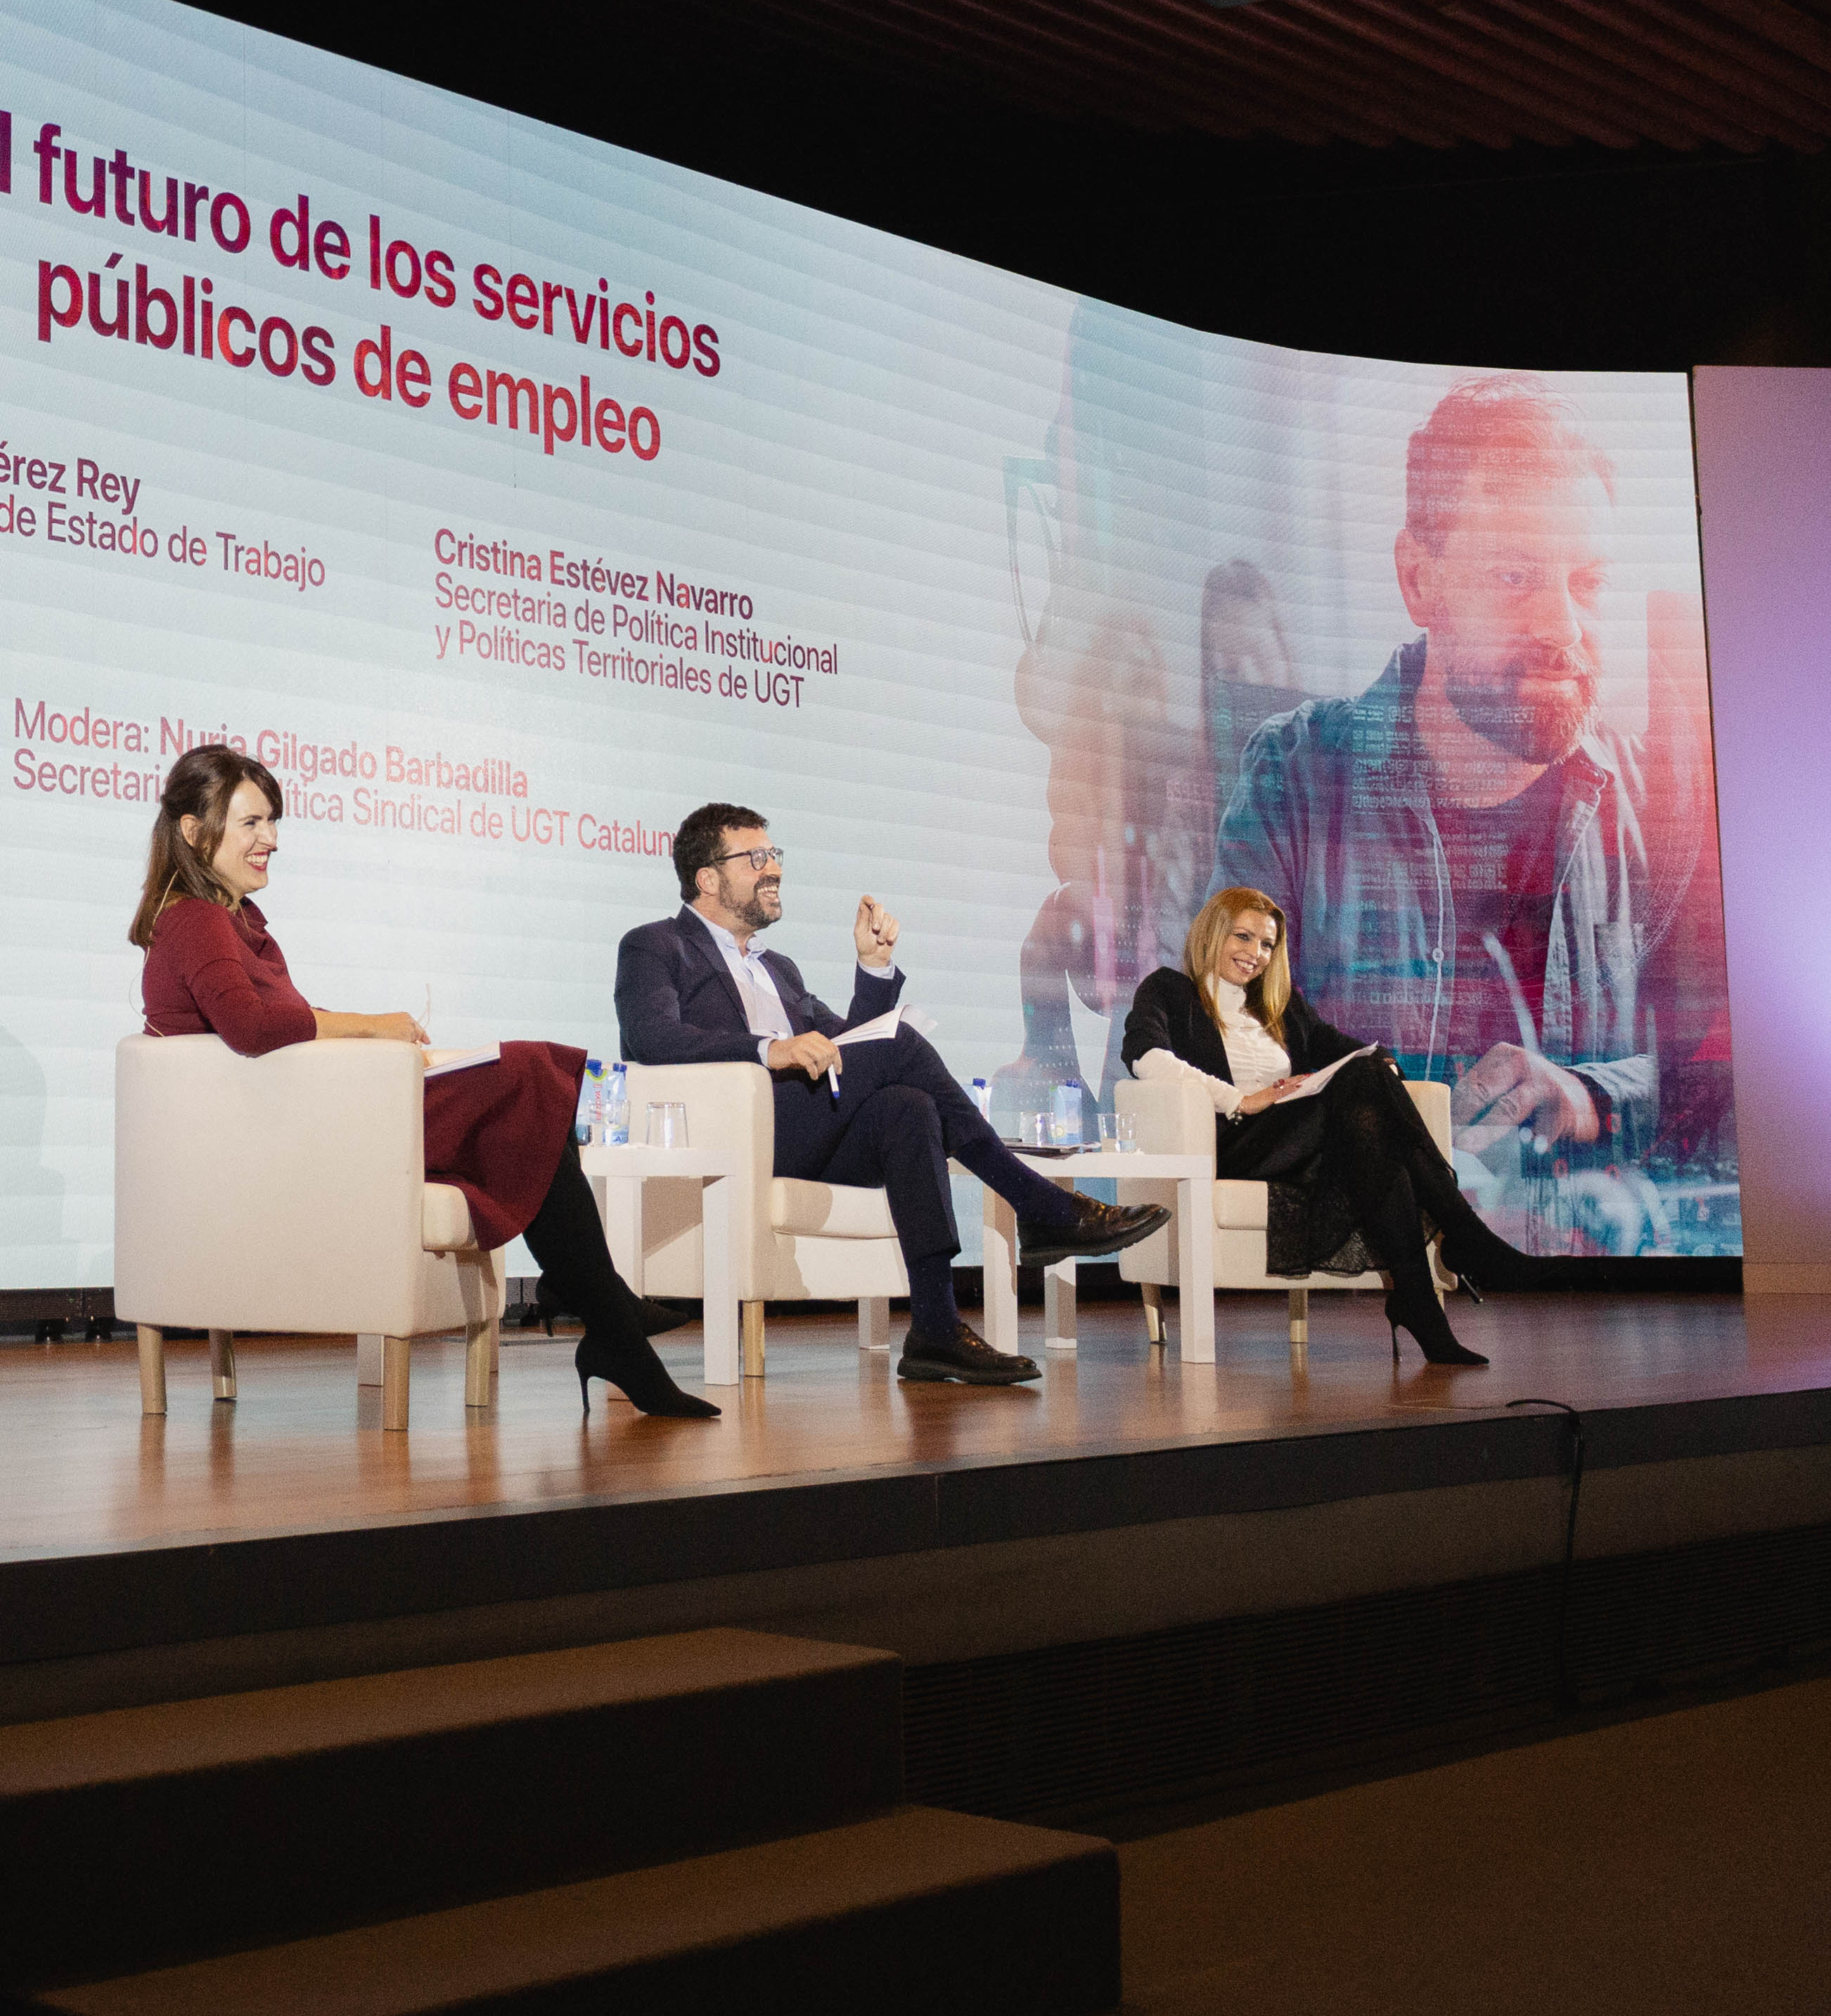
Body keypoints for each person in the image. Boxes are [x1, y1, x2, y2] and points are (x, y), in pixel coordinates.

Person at [1214, 375, 1688, 1208]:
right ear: (1418, 580)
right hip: (1353, 1293)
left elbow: (1720, 1070)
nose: (1563, 627)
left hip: (1587, 1294)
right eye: (1514, 575)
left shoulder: (1653, 798)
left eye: (1588, 581)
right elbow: (1204, 1059)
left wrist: (1592, 1096)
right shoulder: (1294, 781)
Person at [132, 745, 717, 1420]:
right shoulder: (196, 918)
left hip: (302, 1122)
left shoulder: (232, 920)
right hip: (294, 1141)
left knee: (528, 1095)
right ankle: (608, 1311)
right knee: (529, 1070)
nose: (271, 839)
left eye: (273, 821)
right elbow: (257, 1028)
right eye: (252, 823)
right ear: (194, 830)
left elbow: (277, 1028)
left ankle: (607, 1317)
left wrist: (379, 1041)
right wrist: (375, 1026)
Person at [614, 804, 1169, 1386]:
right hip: (733, 1137)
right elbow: (652, 1037)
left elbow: (854, 1045)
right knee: (901, 1043)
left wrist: (873, 970)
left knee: (909, 1106)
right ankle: (1039, 1202)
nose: (772, 868)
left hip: (803, 1128)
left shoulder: (781, 969)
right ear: (707, 878)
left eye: (775, 855)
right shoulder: (655, 946)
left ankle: (934, 1325)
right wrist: (765, 1050)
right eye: (756, 858)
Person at [1122, 888, 1540, 1368]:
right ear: (1212, 932)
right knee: (1365, 1091)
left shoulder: (1281, 1009)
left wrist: (1385, 1072)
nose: (1255, 954)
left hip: (1294, 1142)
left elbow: (1353, 1052)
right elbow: (1145, 1057)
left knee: (1371, 1102)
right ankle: (1462, 1231)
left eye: (1266, 945)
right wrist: (1240, 1099)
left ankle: (1420, 1305)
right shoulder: (1169, 990)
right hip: (1232, 1144)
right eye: (1244, 936)